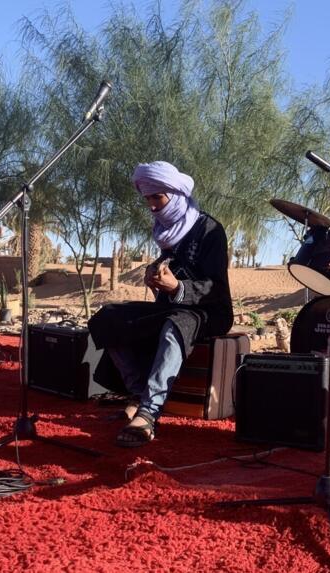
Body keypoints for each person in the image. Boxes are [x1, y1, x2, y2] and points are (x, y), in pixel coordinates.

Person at [88, 161, 233, 447]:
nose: (152, 205)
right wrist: (154, 272)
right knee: (108, 318)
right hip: (174, 305)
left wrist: (178, 287)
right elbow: (172, 265)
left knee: (173, 325)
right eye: (148, 199)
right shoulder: (165, 229)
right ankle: (138, 391)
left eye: (157, 197)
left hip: (210, 311)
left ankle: (148, 413)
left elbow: (215, 286)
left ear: (175, 193)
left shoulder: (210, 229)